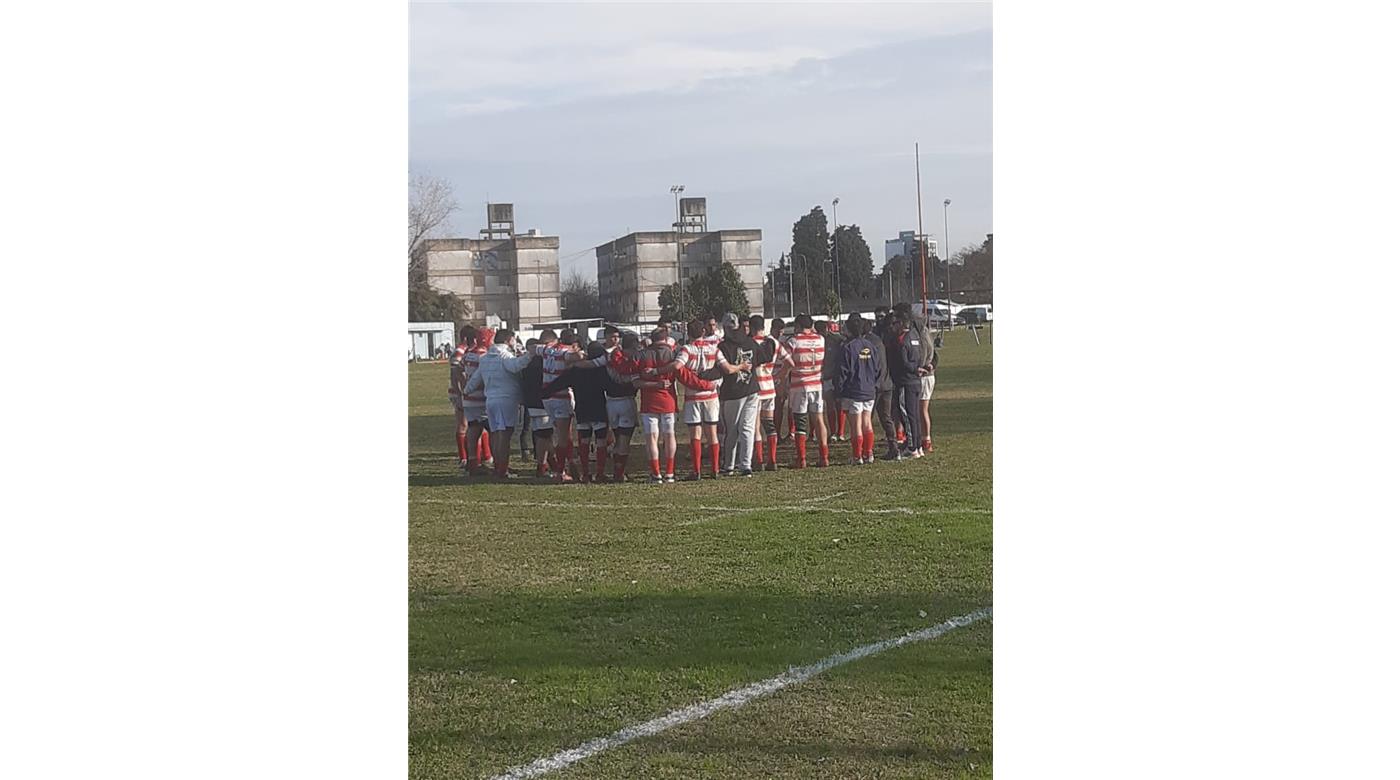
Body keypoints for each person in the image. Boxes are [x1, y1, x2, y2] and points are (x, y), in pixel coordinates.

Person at [460, 329, 534, 479]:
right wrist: (530, 355)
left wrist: (466, 390)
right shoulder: (504, 355)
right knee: (505, 435)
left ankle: (498, 467)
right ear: (508, 340)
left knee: (496, 434)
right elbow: (515, 366)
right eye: (513, 340)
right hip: (506, 400)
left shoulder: (486, 358)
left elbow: (476, 378)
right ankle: (502, 469)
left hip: (491, 400)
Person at [540, 340, 612, 484]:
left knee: (584, 441)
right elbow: (610, 386)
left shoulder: (576, 370)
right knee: (601, 442)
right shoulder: (601, 369)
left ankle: (585, 473)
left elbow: (557, 384)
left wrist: (544, 392)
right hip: (598, 409)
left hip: (582, 409)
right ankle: (600, 472)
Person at [668, 318, 728, 480]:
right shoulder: (713, 349)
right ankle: (715, 469)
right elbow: (725, 367)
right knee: (712, 433)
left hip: (693, 397)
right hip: (711, 395)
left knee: (695, 434)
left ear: (688, 332)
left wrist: (657, 370)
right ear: (703, 332)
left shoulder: (687, 349)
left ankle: (697, 471)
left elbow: (677, 366)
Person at [715, 313, 769, 476]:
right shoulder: (749, 341)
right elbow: (762, 358)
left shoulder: (724, 346)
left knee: (731, 429)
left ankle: (729, 465)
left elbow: (722, 369)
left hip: (733, 391)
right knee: (747, 428)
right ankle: (746, 465)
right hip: (752, 388)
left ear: (725, 328)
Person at [776, 313, 830, 468]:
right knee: (819, 420)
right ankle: (824, 456)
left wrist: (781, 380)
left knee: (800, 421)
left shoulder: (793, 341)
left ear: (798, 326)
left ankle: (801, 459)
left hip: (800, 385)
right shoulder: (821, 339)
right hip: (816, 384)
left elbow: (787, 362)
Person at [530, 328, 582, 483]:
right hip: (560, 396)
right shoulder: (564, 352)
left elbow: (533, 348)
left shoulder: (547, 349)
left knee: (561, 433)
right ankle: (561, 471)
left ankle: (566, 463)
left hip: (547, 398)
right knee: (563, 436)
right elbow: (576, 356)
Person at [838, 315, 880, 465]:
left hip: (854, 390)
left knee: (856, 425)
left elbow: (843, 371)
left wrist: (840, 390)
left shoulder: (848, 347)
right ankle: (868, 453)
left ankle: (857, 456)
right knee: (867, 422)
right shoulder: (871, 345)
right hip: (869, 390)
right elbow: (877, 368)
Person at [888, 313, 926, 459]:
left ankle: (912, 447)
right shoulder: (915, 337)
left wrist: (913, 369)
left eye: (895, 323)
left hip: (906, 381)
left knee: (908, 415)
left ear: (901, 324)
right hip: (916, 381)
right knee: (915, 415)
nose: (893, 327)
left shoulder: (902, 340)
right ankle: (918, 444)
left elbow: (903, 362)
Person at [459, 327, 495, 474]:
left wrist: (464, 388)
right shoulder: (484, 355)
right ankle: (498, 462)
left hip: (468, 398)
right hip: (481, 399)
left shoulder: (468, 354)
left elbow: (459, 371)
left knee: (473, 429)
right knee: (495, 431)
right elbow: (484, 378)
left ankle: (473, 462)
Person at [751, 315, 781, 471]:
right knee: (769, 425)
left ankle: (758, 460)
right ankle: (773, 459)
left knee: (756, 427)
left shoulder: (749, 343)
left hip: (756, 389)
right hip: (770, 387)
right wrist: (778, 378)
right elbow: (789, 362)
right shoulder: (774, 342)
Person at [869, 315, 900, 460]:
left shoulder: (867, 344)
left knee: (866, 418)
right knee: (886, 418)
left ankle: (866, 450)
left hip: (874, 385)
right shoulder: (879, 341)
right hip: (886, 384)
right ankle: (894, 447)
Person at [448, 325, 476, 471]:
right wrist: (459, 394)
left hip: (467, 392)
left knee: (475, 424)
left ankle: (483, 456)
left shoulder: (468, 351)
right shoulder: (460, 351)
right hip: (459, 392)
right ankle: (464, 458)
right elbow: (455, 375)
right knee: (463, 424)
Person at [819, 320, 846, 445]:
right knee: (830, 404)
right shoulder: (817, 341)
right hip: (827, 377)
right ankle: (833, 432)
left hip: (838, 377)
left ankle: (840, 432)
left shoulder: (838, 340)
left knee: (839, 404)